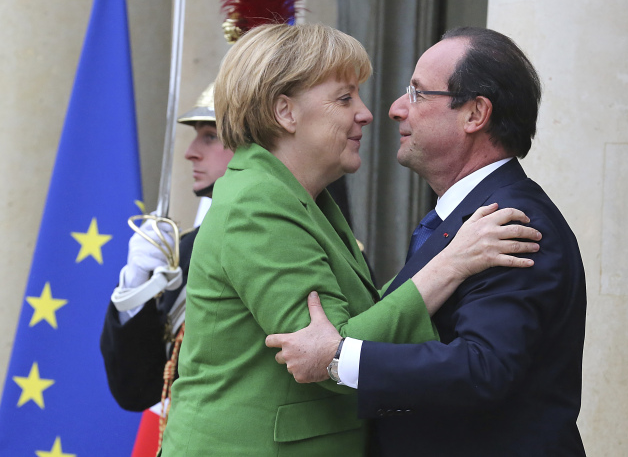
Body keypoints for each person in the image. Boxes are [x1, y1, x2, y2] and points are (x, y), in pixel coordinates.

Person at [159, 23, 541, 456]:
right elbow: (328, 356)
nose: (367, 113)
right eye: (344, 98)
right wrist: (451, 264)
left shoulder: (300, 196)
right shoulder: (258, 204)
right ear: (286, 112)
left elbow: (348, 332)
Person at [266, 26, 587, 457]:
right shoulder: (466, 215)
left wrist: (340, 356)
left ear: (475, 114)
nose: (397, 109)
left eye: (418, 94)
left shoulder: (511, 221)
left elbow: (484, 367)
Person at [99, 83, 234, 412]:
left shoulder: (314, 241)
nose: (190, 152)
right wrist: (137, 286)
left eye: (210, 136)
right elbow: (138, 388)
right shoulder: (189, 247)